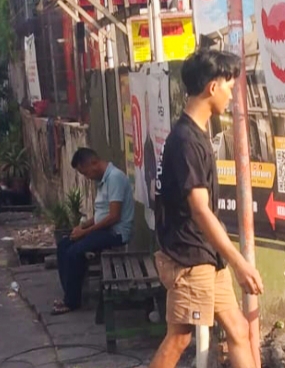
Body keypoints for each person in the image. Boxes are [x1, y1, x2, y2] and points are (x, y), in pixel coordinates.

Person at [149, 48, 263, 368]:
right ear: (212, 87)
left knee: (238, 329)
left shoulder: (194, 134)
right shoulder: (186, 140)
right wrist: (239, 263)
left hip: (205, 254)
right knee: (179, 338)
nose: (231, 94)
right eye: (229, 86)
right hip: (190, 256)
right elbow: (199, 209)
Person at [52, 148, 135, 315]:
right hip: (104, 229)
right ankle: (70, 293)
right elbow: (100, 216)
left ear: (94, 163)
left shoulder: (115, 178)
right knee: (63, 245)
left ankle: (71, 302)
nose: (87, 177)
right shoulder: (102, 181)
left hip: (116, 233)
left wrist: (85, 233)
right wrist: (83, 226)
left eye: (86, 172)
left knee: (75, 252)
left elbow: (113, 217)